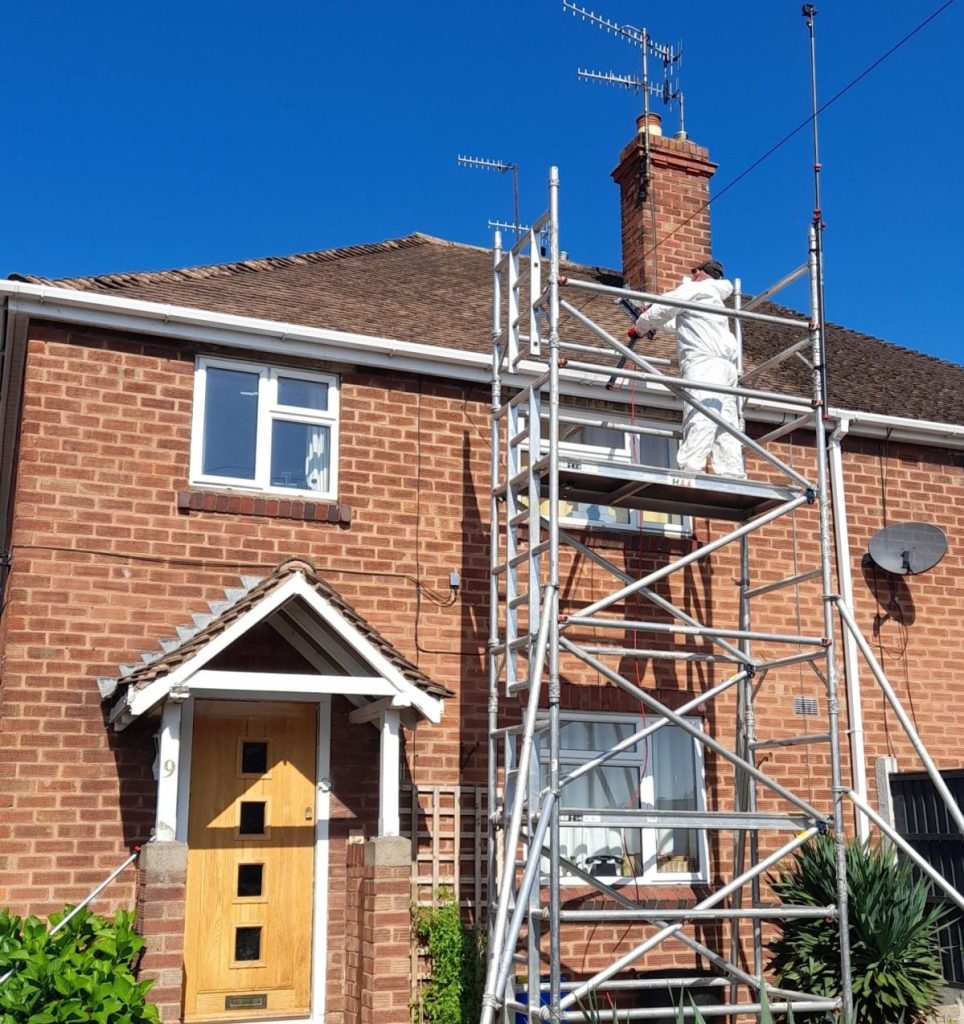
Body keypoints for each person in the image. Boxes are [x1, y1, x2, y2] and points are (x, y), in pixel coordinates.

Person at [630, 259, 746, 479]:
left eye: (694, 271)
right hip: (727, 369)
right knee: (726, 423)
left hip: (705, 364)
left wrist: (640, 326)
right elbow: (680, 323)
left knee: (702, 413)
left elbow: (663, 308)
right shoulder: (713, 299)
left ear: (701, 273)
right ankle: (731, 472)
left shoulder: (695, 289)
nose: (692, 275)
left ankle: (690, 468)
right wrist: (651, 320)